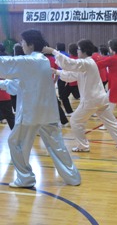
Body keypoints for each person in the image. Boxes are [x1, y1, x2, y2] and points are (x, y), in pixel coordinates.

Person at [0, 29, 81, 188]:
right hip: (48, 113)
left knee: (15, 142)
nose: (22, 46)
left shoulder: (29, 61)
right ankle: (73, 177)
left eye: (23, 43)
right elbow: (18, 86)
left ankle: (25, 178)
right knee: (57, 146)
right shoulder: (42, 61)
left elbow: (4, 64)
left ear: (30, 44)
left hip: (31, 113)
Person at [44, 39, 117, 152]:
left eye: (78, 49)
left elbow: (70, 64)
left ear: (84, 51)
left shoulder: (86, 63)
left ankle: (83, 146)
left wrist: (54, 51)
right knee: (111, 122)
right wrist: (57, 72)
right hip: (100, 98)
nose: (77, 51)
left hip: (91, 100)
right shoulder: (87, 63)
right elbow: (73, 75)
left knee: (75, 121)